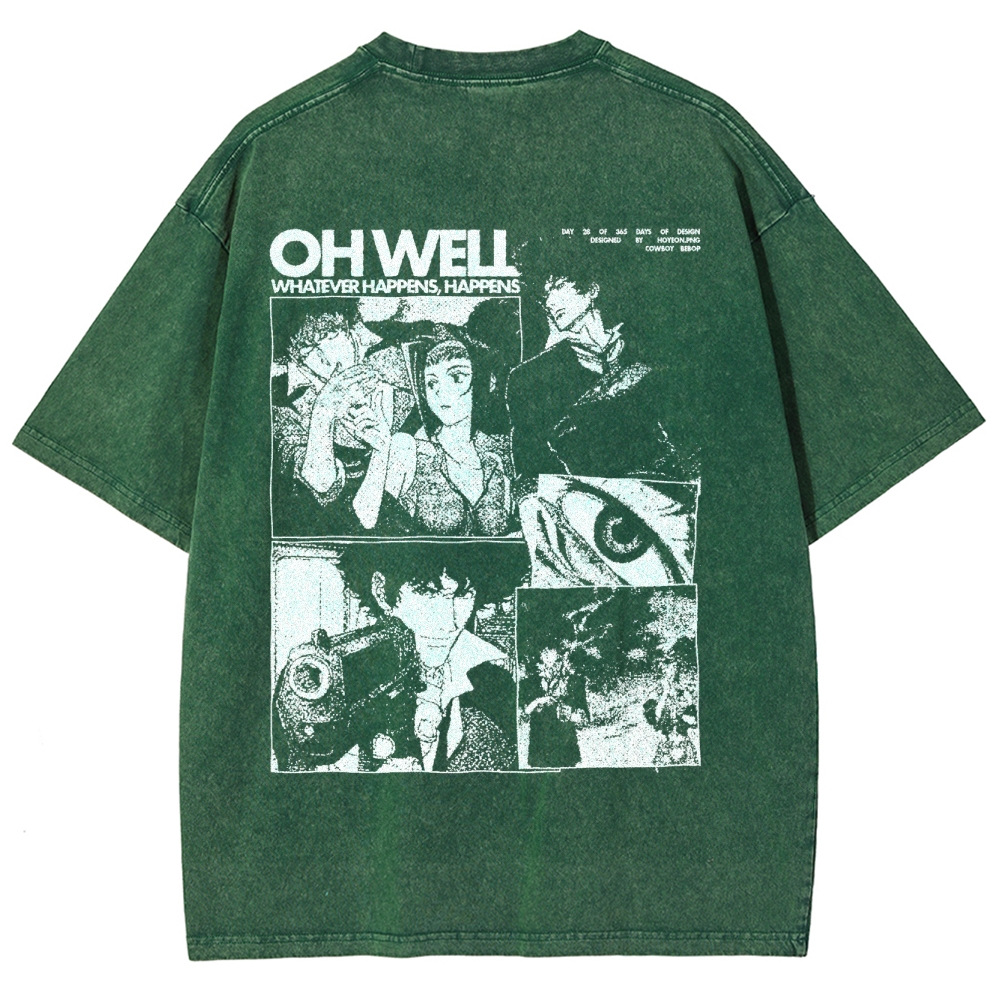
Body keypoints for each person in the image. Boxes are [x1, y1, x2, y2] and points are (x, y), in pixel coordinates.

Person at [334, 543, 528, 772]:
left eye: (462, 595)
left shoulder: (497, 685)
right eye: (429, 593)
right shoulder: (341, 679)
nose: (449, 622)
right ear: (381, 592)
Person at [506, 244, 689, 480]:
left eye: (558, 286)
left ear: (592, 289)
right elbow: (531, 474)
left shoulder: (653, 350)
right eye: (544, 295)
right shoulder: (529, 379)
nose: (550, 302)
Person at [271, 304, 415, 535]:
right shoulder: (288, 412)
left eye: (331, 336)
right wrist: (324, 411)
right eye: (308, 350)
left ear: (353, 335)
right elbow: (320, 485)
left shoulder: (402, 393)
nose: (325, 357)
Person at [351, 334, 516, 535]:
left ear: (487, 381)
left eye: (456, 378)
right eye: (431, 383)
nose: (440, 391)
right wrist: (381, 450)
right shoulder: (408, 448)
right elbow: (366, 519)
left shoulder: (498, 454)